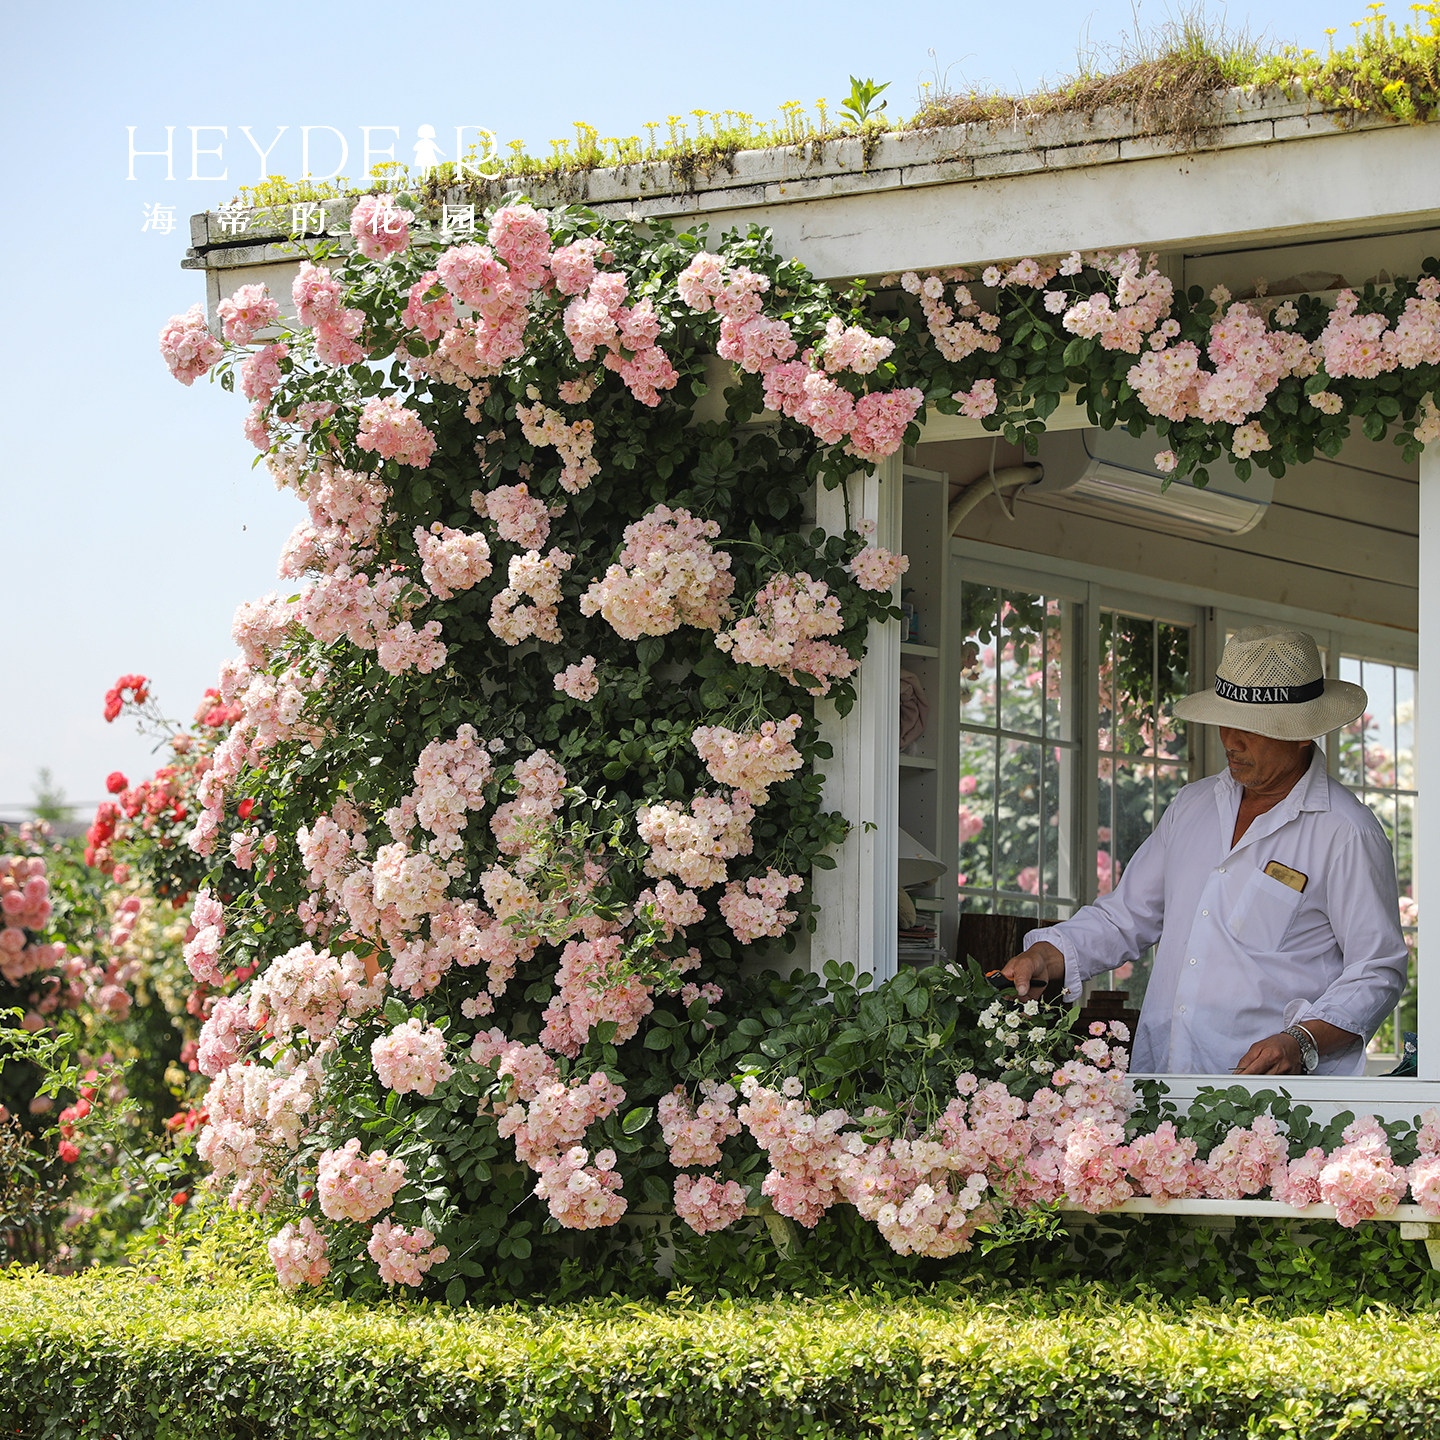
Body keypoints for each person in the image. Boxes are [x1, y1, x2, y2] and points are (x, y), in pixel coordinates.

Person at [1001, 625, 1408, 1076]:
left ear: (1301, 734)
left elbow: (1377, 970)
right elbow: (1126, 916)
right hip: (1163, 1082)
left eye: (1251, 728)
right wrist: (1048, 954)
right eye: (1225, 721)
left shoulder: (1345, 831)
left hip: (1278, 1103)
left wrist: (1302, 1040)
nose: (1231, 741)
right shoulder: (1192, 806)